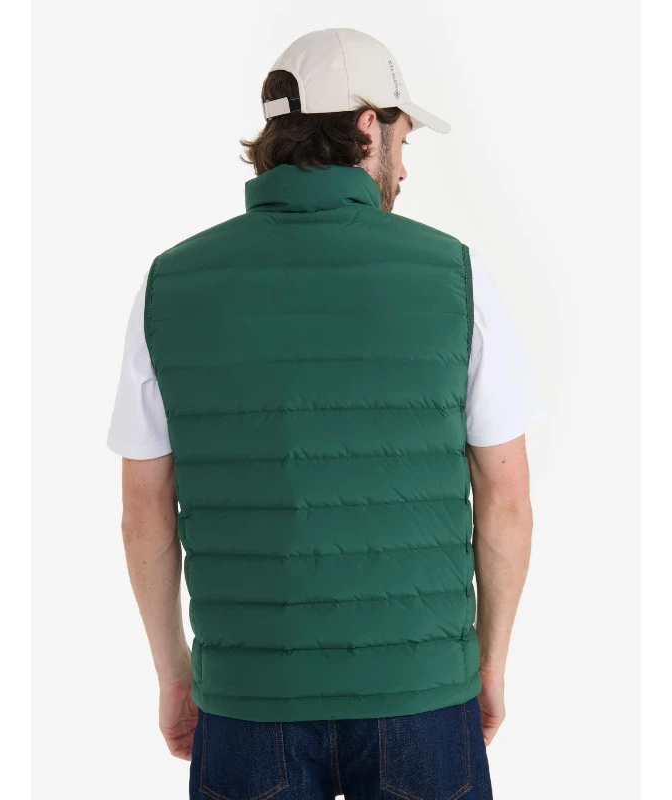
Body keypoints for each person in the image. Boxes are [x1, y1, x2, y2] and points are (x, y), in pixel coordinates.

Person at [108, 27, 544, 800]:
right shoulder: (457, 277)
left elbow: (144, 511)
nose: (404, 168)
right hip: (420, 692)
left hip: (246, 698)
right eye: (403, 141)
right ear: (369, 126)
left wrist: (178, 676)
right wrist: (488, 665)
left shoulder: (168, 285)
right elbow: (506, 496)